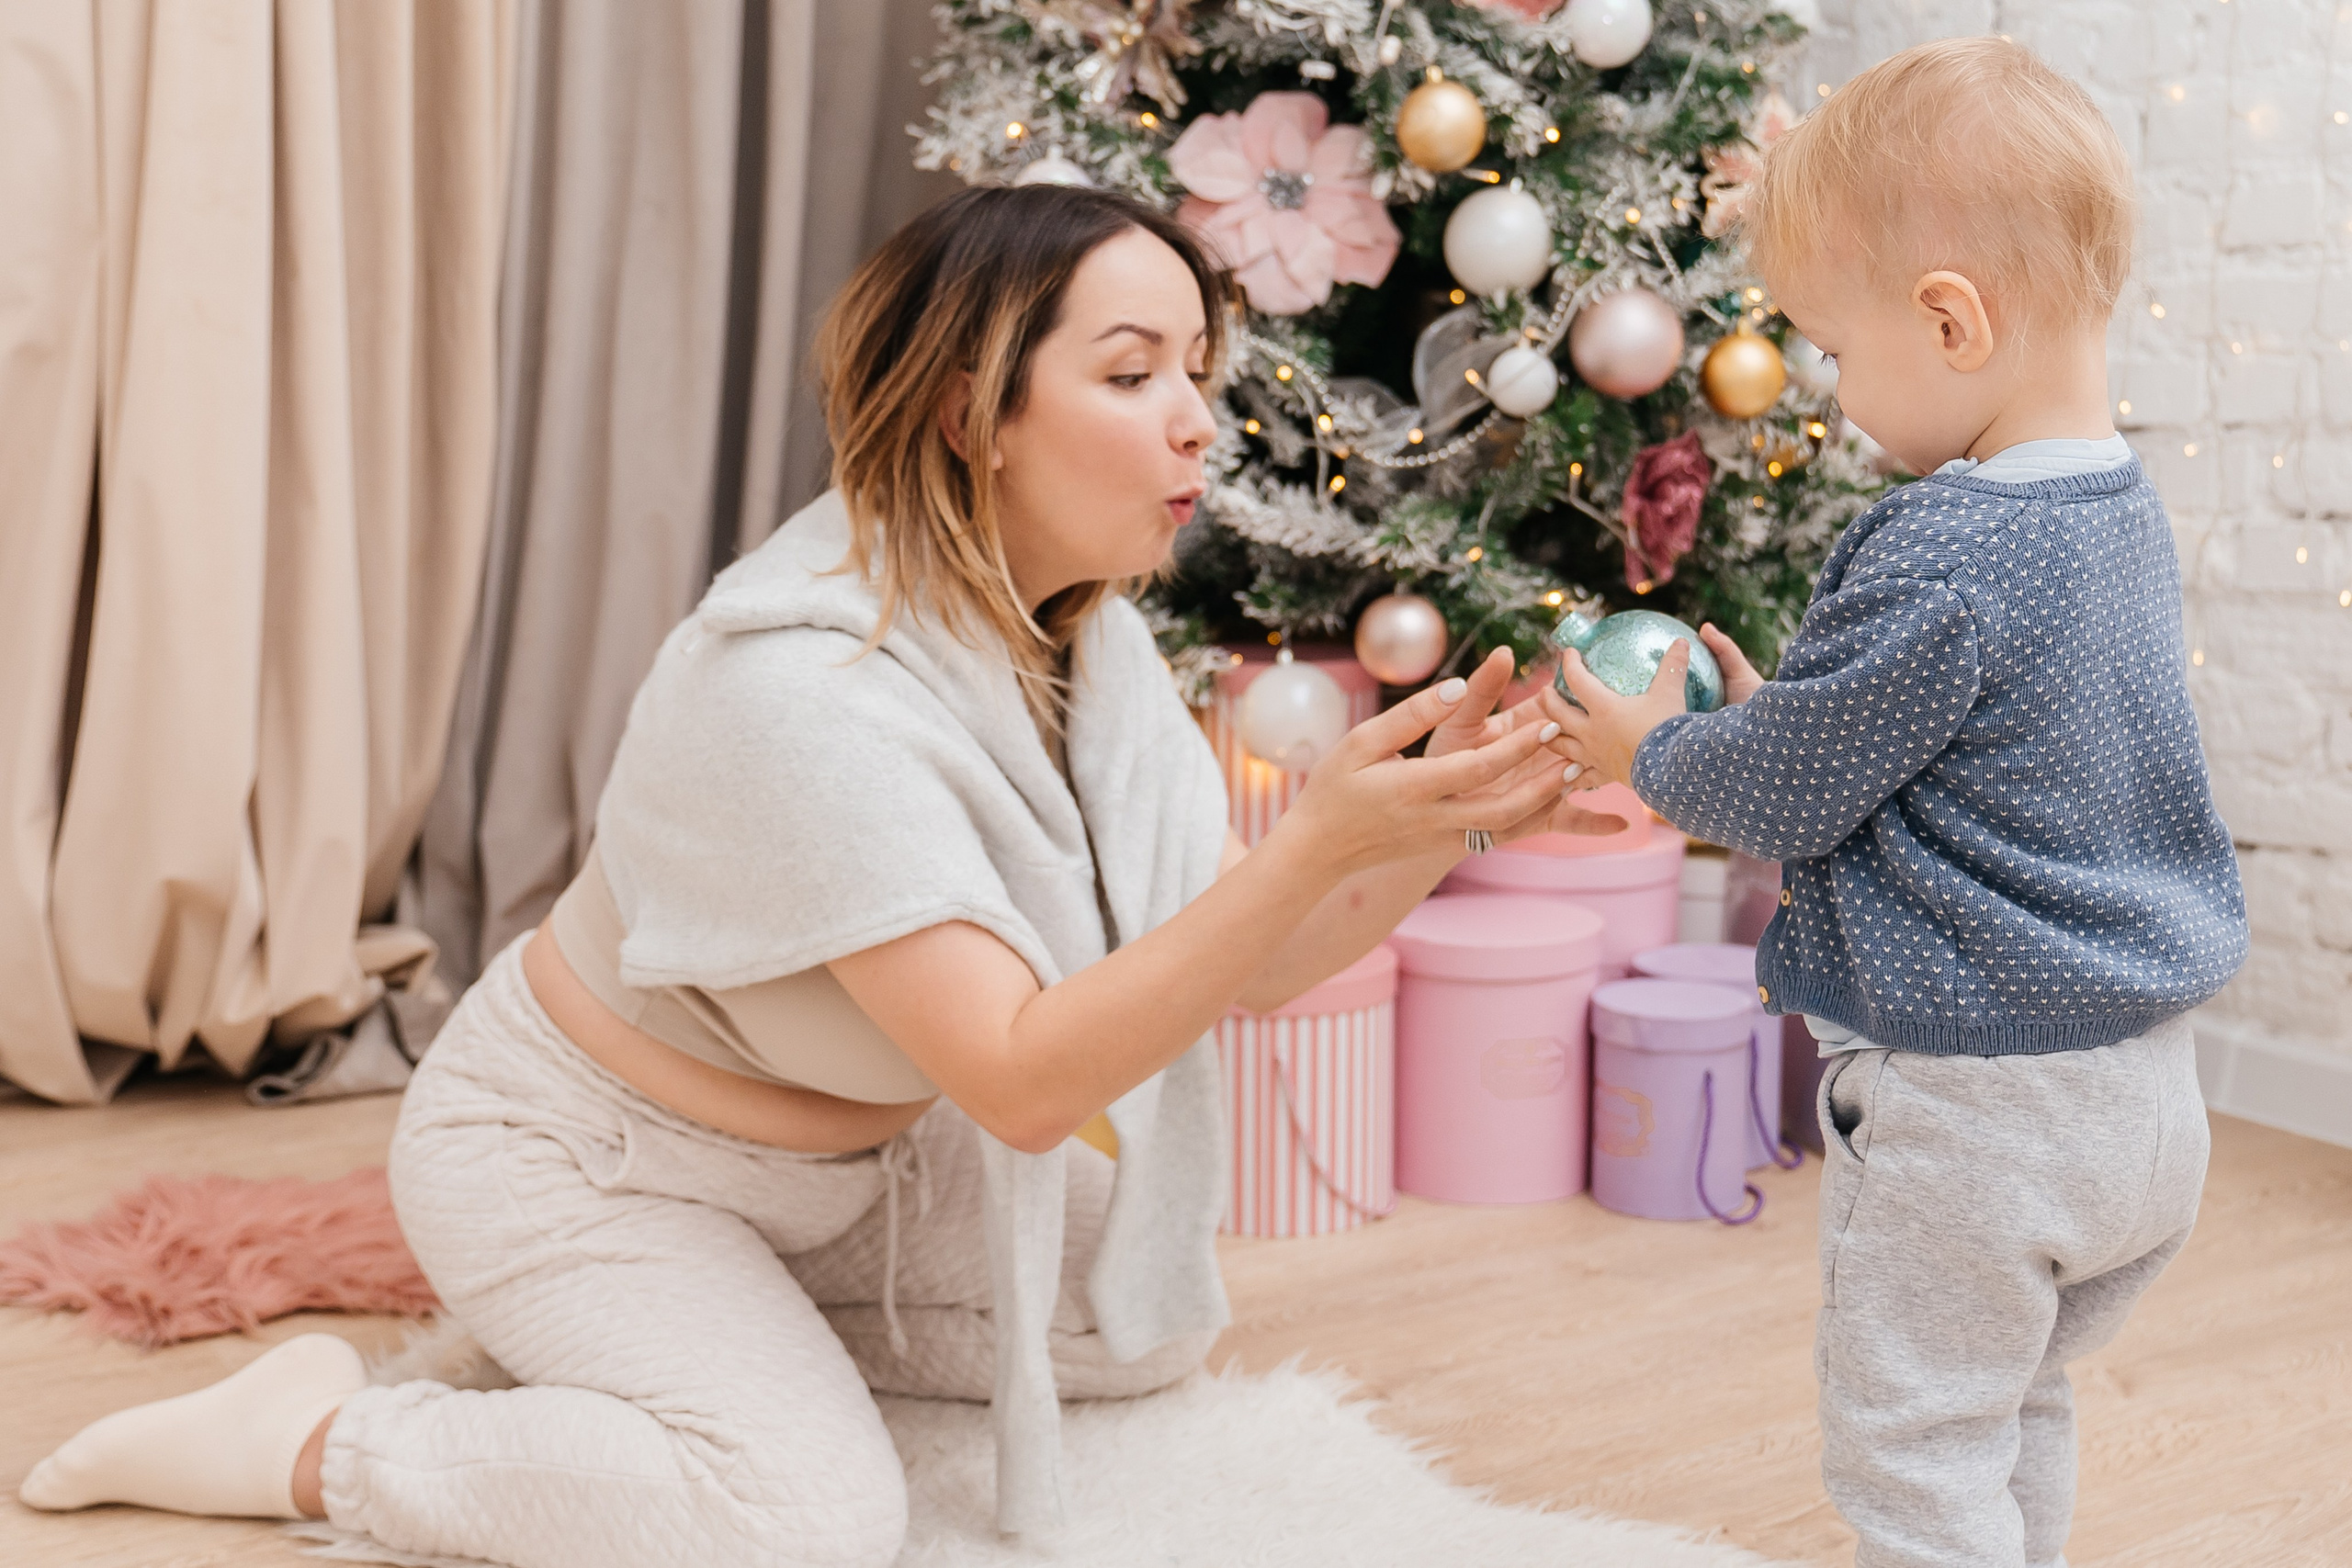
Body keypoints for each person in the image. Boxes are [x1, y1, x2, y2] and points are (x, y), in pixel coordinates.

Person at [19, 186, 1601, 1568]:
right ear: (969, 414)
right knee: (799, 1522)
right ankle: (313, 1438)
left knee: (1146, 1323)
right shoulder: (794, 693)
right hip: (585, 1159)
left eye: (1199, 371)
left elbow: (1242, 965)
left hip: (854, 1171)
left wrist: (1451, 824)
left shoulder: (1089, 654)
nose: (1198, 419)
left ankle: (680, 1351)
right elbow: (1022, 1084)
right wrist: (1318, 834)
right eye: (1132, 375)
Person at [1547, 38, 2248, 1568]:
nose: (1833, 389)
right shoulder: (2115, 509)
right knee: (2011, 1404)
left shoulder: (1942, 550)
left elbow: (1796, 796)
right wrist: (1790, 707)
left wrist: (1651, 752)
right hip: (2140, 1097)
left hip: (1982, 1109)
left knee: (1912, 1446)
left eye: (1837, 349)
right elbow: (1934, 741)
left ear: (1950, 319)